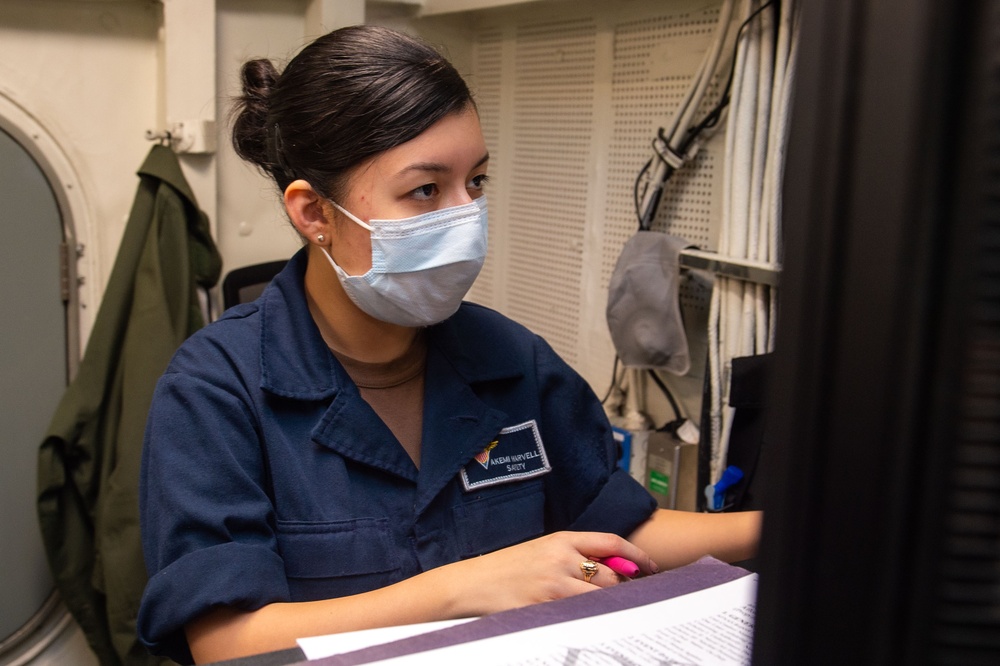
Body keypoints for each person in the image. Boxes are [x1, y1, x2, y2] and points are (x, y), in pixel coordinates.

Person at [136, 24, 761, 665]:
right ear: (315, 213)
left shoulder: (511, 360)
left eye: (477, 184)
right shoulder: (217, 388)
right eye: (426, 191)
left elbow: (625, 528)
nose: (465, 218)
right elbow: (225, 642)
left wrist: (795, 524)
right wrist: (466, 588)